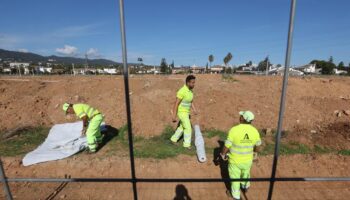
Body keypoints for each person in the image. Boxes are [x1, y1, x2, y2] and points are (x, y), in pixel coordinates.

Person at [220, 111, 262, 200]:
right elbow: (258, 145)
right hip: (248, 160)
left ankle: (235, 195)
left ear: (243, 118)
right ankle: (245, 187)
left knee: (235, 178)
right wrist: (255, 153)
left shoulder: (234, 130)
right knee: (246, 174)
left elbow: (227, 145)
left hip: (235, 161)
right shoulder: (254, 131)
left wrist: (223, 154)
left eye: (241, 115)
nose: (240, 116)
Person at [170, 75, 198, 149]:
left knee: (182, 127)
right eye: (192, 83)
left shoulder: (190, 91)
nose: (193, 84)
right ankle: (186, 145)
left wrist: (194, 109)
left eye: (194, 82)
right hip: (182, 112)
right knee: (188, 128)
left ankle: (173, 139)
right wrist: (174, 115)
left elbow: (191, 101)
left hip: (186, 112)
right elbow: (176, 103)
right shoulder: (182, 91)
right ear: (187, 83)